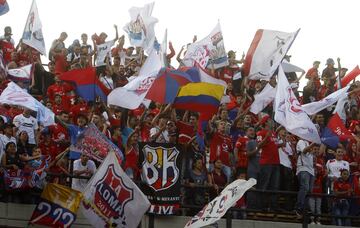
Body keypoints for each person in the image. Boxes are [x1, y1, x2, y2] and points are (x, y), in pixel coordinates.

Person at [295, 139, 317, 218]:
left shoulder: (308, 143)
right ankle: (299, 208)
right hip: (303, 168)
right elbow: (304, 151)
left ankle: (305, 208)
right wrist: (313, 143)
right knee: (305, 188)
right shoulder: (301, 141)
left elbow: (309, 154)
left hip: (311, 169)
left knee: (309, 191)